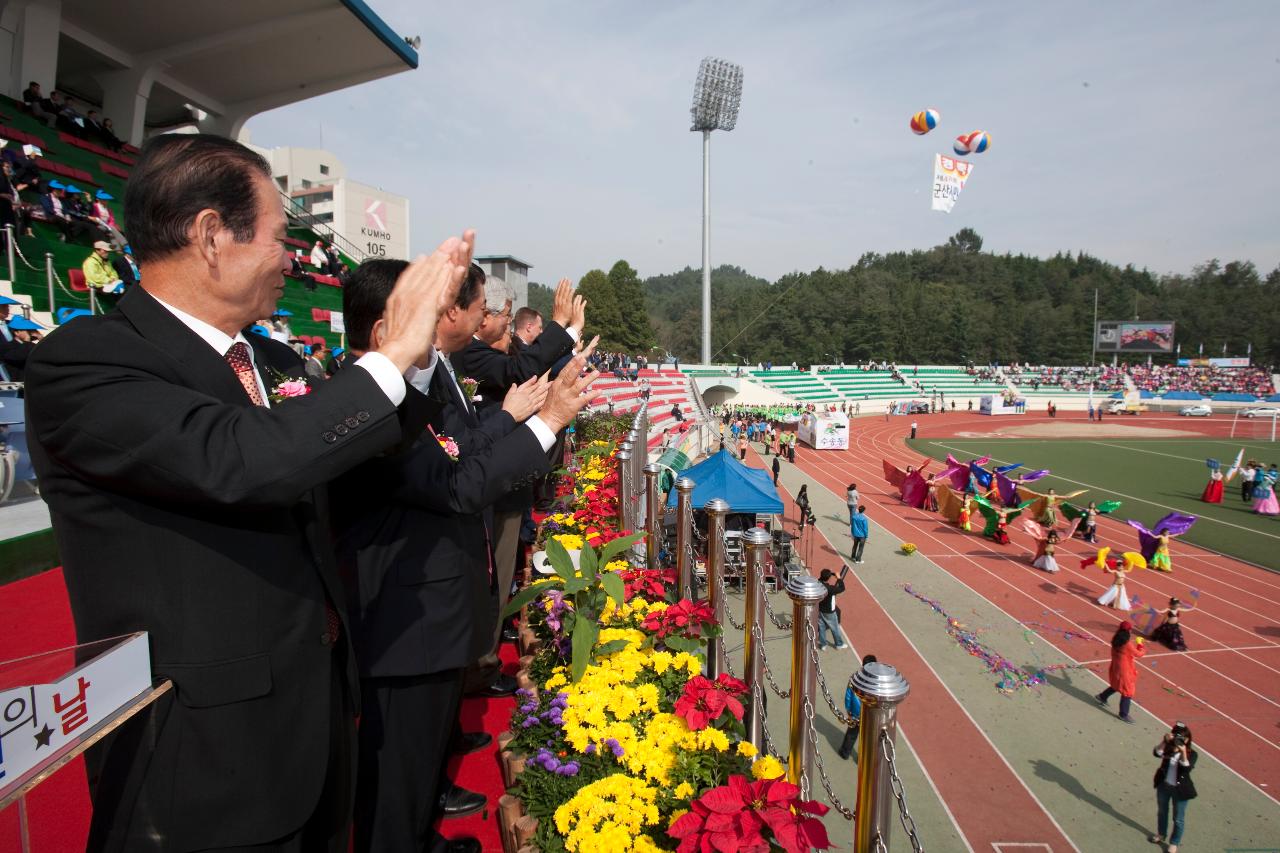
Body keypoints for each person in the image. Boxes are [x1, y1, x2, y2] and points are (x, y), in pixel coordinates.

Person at [24, 132, 473, 852]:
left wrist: (412, 365)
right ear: (210, 236)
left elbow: (352, 458)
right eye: (277, 235)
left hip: (314, 722)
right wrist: (387, 356)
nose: (291, 257)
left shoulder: (270, 356)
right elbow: (242, 461)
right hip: (204, 758)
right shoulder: (86, 363)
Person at [332, 258, 597, 853]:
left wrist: (520, 417)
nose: (440, 331)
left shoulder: (402, 393)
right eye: (423, 319)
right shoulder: (376, 404)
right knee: (394, 777)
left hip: (423, 611)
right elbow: (455, 483)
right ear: (383, 334)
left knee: (418, 762)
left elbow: (458, 450)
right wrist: (548, 419)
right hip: (402, 624)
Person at [1150, 722, 1197, 852]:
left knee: (1178, 819)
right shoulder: (1168, 747)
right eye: (1176, 736)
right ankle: (1161, 834)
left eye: (1181, 738)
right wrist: (1164, 741)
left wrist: (1182, 752)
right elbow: (1156, 753)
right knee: (1162, 812)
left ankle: (1174, 843)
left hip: (1180, 791)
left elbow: (1186, 769)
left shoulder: (1192, 754)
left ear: (1187, 739)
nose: (1178, 740)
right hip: (1164, 786)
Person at [1096, 620, 1145, 723]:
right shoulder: (1127, 644)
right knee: (1128, 692)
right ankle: (1123, 714)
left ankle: (1102, 697)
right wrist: (1140, 644)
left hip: (1115, 667)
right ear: (1129, 631)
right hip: (1125, 671)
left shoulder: (1116, 639)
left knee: (1116, 685)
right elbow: (1139, 654)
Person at [838, 654, 878, 759]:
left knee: (851, 734)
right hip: (870, 715)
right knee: (867, 739)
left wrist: (848, 710)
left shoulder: (855, 677)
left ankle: (845, 753)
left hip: (855, 713)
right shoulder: (877, 681)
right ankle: (864, 759)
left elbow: (848, 696)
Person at [816, 566, 848, 649]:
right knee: (835, 628)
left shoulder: (817, 583)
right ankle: (839, 644)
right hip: (829, 611)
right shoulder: (830, 589)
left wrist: (831, 574)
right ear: (829, 579)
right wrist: (839, 578)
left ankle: (823, 644)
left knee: (821, 627)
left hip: (819, 609)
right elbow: (842, 588)